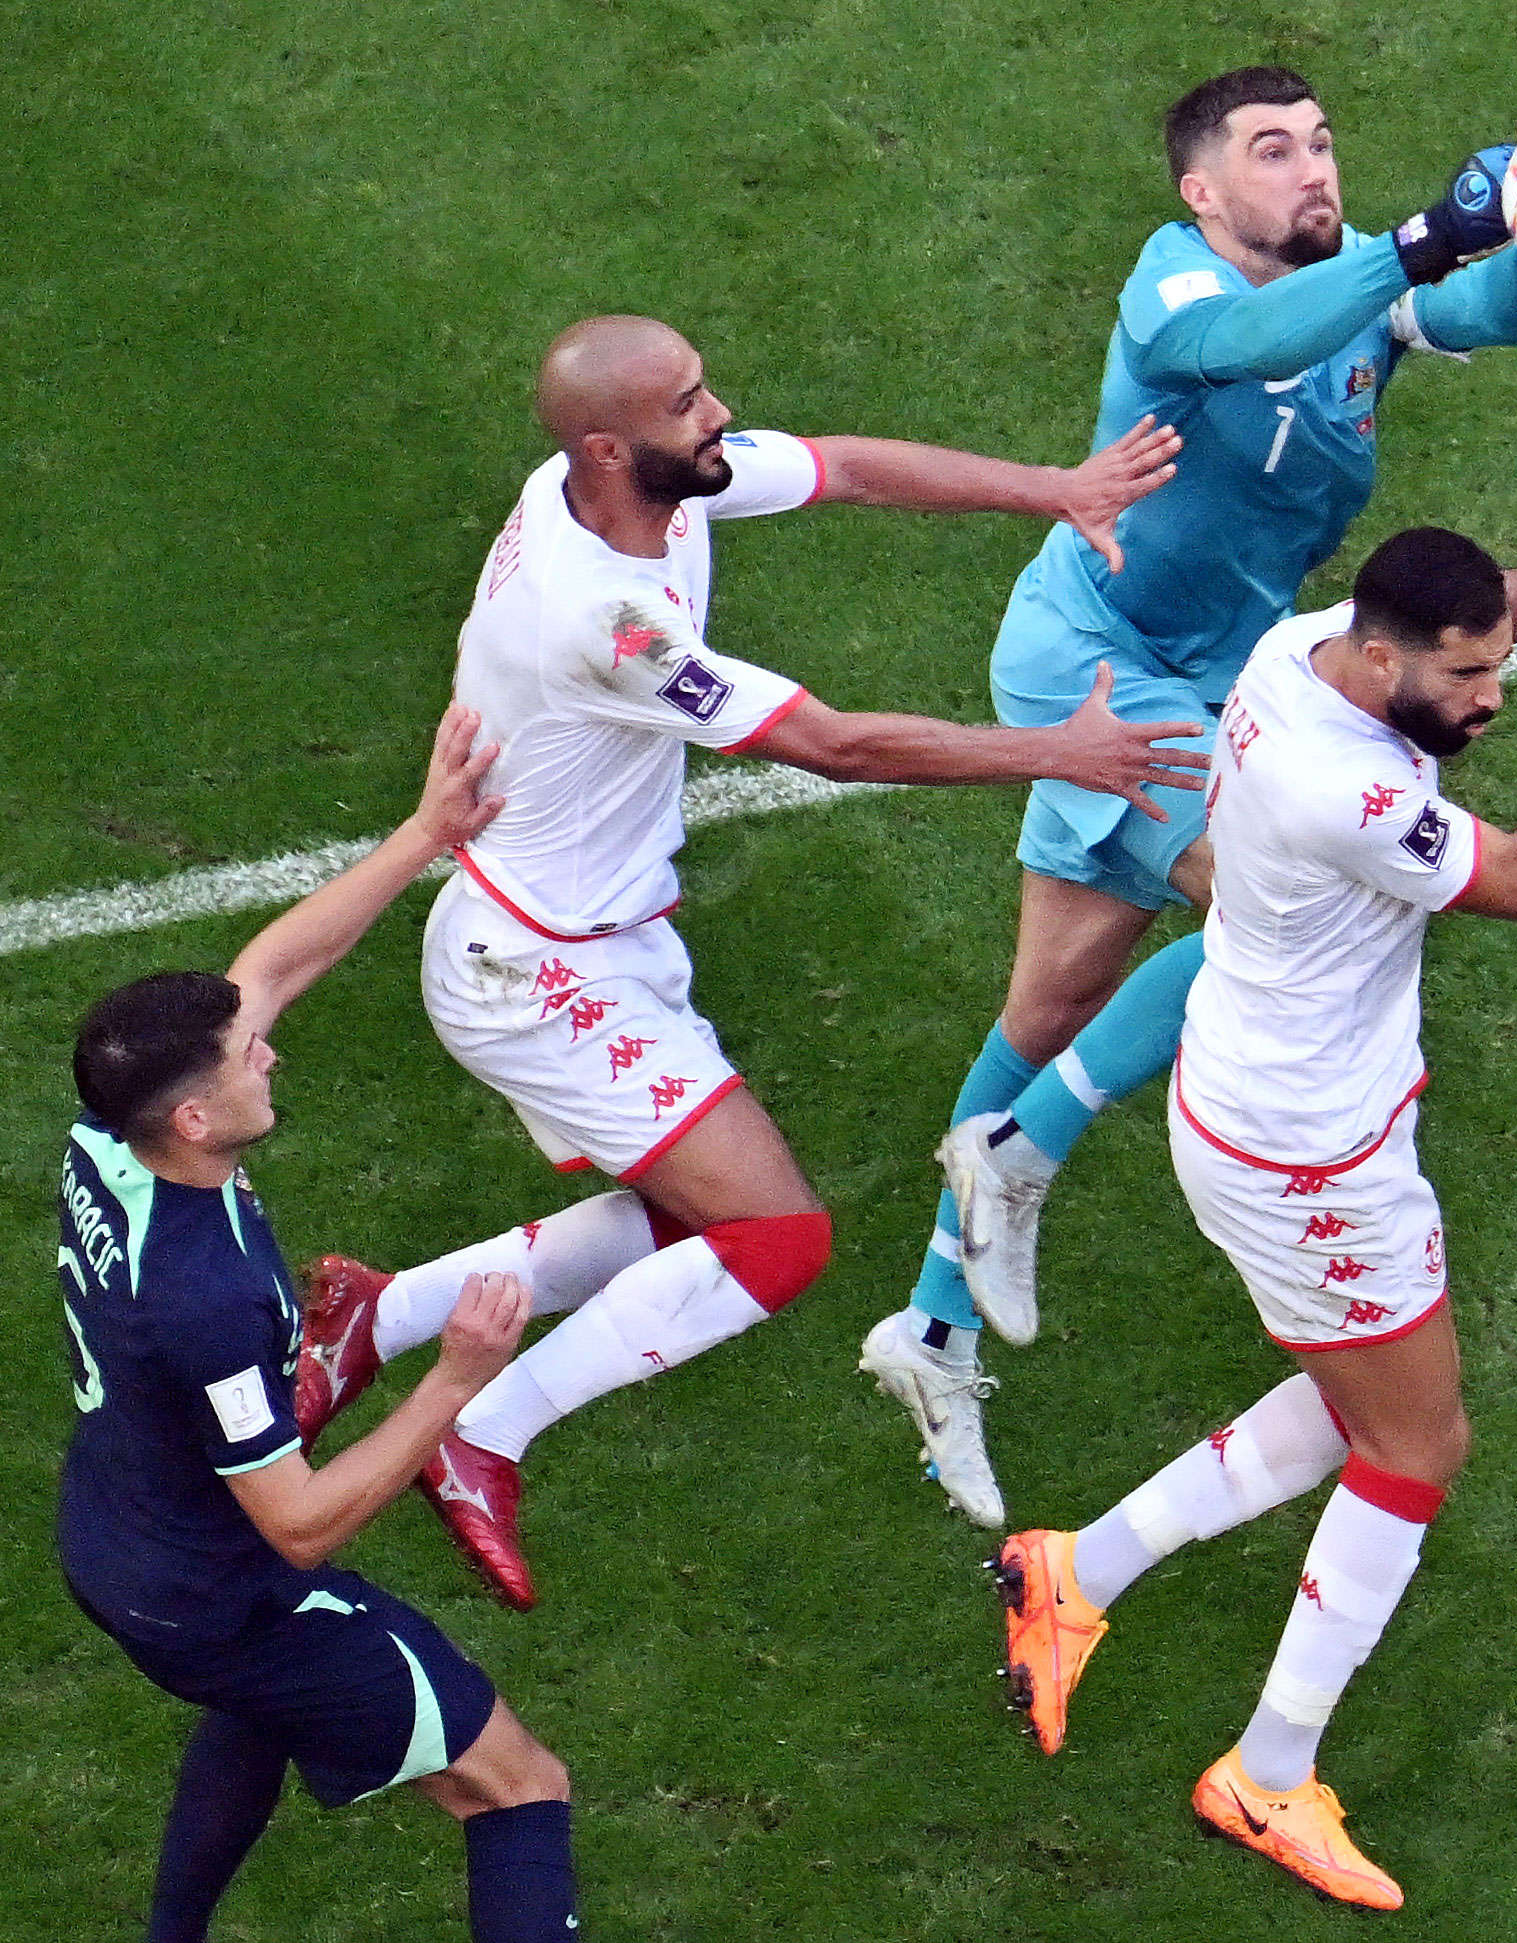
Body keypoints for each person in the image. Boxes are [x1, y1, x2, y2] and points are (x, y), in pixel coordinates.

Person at [288, 313, 1210, 1610]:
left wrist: (1051, 490)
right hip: (535, 970)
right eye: (688, 402)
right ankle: (480, 1433)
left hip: (597, 938)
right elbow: (831, 743)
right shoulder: (602, 621)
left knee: (691, 1219)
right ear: (609, 446)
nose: (719, 413)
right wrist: (1058, 751)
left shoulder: (654, 481)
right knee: (775, 1236)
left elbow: (843, 465)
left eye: (709, 383)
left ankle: (372, 1316)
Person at [868, 65, 1517, 1529]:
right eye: (1272, 151)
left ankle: (927, 1331)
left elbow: (1478, 313)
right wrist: (1423, 239)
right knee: (1254, 904)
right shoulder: (1175, 295)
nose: (1312, 168)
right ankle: (1021, 1149)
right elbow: (1253, 338)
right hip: (1096, 668)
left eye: (1322, 143)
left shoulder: (1358, 290)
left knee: (1047, 1007)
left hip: (1217, 663)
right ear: (1202, 193)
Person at [991, 528, 1517, 1909]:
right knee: (1417, 1442)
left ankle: (1074, 1567)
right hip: (1308, 1157)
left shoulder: (1298, 649)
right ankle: (1266, 1769)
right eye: (1470, 674)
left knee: (1356, 1394)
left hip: (1271, 1112)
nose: (1494, 693)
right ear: (1382, 659)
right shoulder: (1340, 785)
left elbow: (1471, 618)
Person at [55, 707, 585, 1942]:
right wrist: (455, 1378)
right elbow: (295, 1524)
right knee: (517, 1784)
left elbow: (273, 963)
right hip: (218, 1589)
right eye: (249, 1057)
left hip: (115, 1533)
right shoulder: (206, 1299)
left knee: (254, 1705)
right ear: (193, 1119)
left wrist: (424, 834)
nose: (272, 1054)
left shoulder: (109, 1135)